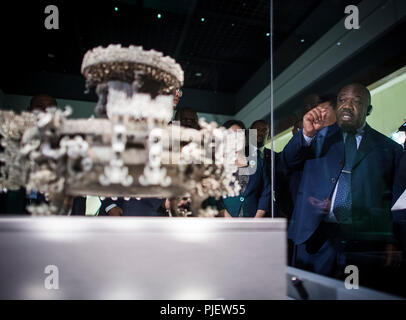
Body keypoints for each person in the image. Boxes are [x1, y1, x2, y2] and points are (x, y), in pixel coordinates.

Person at [281, 83, 404, 286]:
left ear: (369, 110)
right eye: (342, 100)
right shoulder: (317, 137)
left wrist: (392, 240)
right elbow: (287, 161)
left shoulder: (388, 149)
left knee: (351, 292)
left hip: (360, 243)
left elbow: (394, 201)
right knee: (311, 292)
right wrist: (307, 134)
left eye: (356, 101)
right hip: (315, 238)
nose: (347, 105)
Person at [217, 120, 271, 218]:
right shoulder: (218, 165)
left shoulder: (258, 162)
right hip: (225, 221)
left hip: (253, 219)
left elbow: (266, 192)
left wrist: (257, 219)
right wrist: (225, 216)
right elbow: (214, 197)